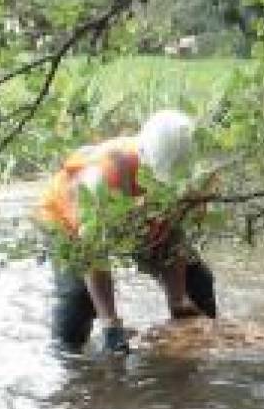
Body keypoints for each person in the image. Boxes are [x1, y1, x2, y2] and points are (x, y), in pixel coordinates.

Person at [36, 109, 217, 354]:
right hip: (66, 220)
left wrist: (178, 300)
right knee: (79, 300)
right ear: (145, 159)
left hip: (133, 217)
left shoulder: (194, 177)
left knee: (199, 280)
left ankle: (197, 353)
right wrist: (110, 323)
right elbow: (92, 254)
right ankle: (69, 362)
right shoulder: (103, 175)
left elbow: (173, 238)